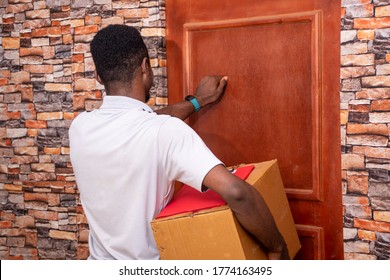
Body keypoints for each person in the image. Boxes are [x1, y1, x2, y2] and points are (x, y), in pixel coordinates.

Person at [69, 24, 288, 260]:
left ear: (99, 76)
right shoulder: (165, 132)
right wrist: (277, 249)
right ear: (145, 67)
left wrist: (198, 101)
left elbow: (140, 119)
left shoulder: (80, 127)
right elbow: (236, 192)